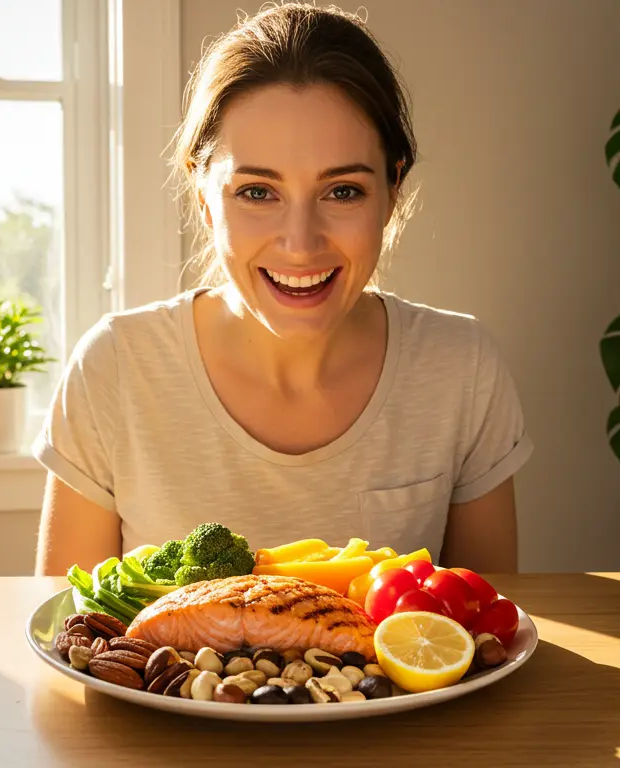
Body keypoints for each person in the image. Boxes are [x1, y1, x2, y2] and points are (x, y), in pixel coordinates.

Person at [33, 3, 531, 577]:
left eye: (342, 191)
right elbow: (65, 622)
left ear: (393, 188)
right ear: (202, 194)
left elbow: (489, 621)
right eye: (257, 192)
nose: (300, 244)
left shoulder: (462, 369)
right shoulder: (115, 369)